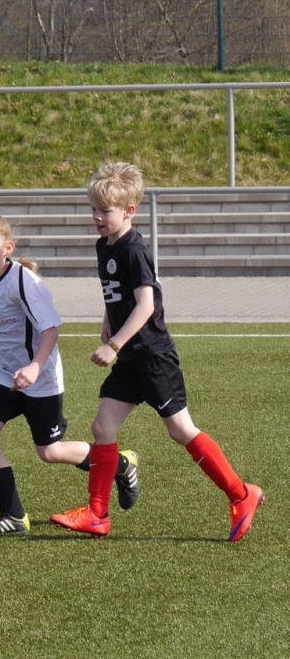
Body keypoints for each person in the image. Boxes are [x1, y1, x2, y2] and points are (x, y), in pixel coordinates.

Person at [50, 162, 263, 541]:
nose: (97, 217)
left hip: (151, 356)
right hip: (130, 358)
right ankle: (97, 515)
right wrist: (108, 320)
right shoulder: (105, 245)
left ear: (129, 211)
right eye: (94, 209)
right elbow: (118, 295)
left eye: (105, 211)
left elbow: (146, 305)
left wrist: (113, 344)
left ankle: (242, 494)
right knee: (103, 427)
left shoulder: (134, 250)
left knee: (181, 430)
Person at [0, 214, 139, 536]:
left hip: (41, 377)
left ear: (7, 248)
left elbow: (50, 330)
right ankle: (12, 515)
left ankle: (121, 464)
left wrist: (35, 366)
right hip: (2, 373)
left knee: (50, 452)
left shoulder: (24, 282)